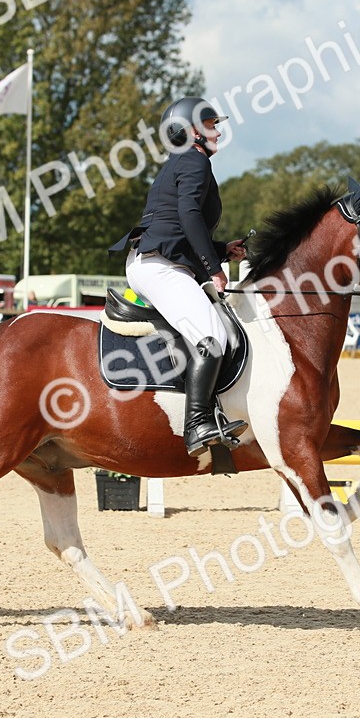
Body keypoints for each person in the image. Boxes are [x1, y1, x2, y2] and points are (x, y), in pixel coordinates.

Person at [110, 96, 249, 457]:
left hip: (156, 260)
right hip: (159, 266)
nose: (217, 130)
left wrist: (220, 250)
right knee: (212, 336)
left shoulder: (182, 162)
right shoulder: (194, 161)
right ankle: (198, 422)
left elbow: (175, 225)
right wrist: (214, 269)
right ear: (190, 131)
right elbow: (188, 215)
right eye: (210, 124)